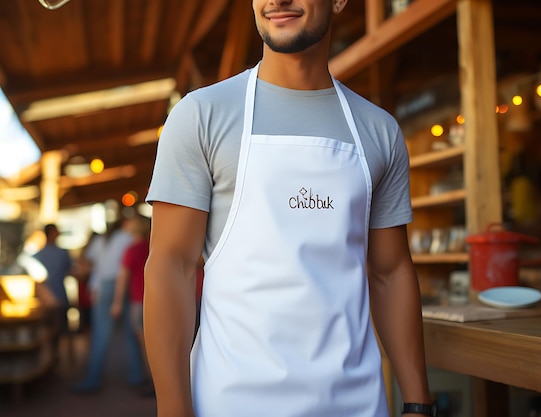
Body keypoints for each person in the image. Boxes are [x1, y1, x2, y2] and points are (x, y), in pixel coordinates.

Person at [144, 0, 434, 416]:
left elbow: (390, 272)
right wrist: (173, 410)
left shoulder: (378, 131)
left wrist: (418, 403)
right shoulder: (201, 116)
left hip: (356, 404)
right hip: (230, 402)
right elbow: (171, 266)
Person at [72, 217, 147, 393]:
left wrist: (94, 286)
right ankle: (136, 376)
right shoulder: (128, 239)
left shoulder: (100, 240)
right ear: (123, 224)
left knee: (100, 333)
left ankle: (93, 378)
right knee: (131, 332)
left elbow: (89, 264)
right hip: (123, 284)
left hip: (104, 285)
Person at [110, 215, 153, 395]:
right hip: (155, 301)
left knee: (147, 348)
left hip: (138, 303)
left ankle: (155, 385)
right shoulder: (152, 247)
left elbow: (123, 278)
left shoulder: (132, 249)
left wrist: (117, 303)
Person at [33, 224, 73, 336]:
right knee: (60, 332)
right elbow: (71, 271)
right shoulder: (62, 253)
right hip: (57, 298)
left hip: (45, 301)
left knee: (48, 333)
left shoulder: (38, 255)